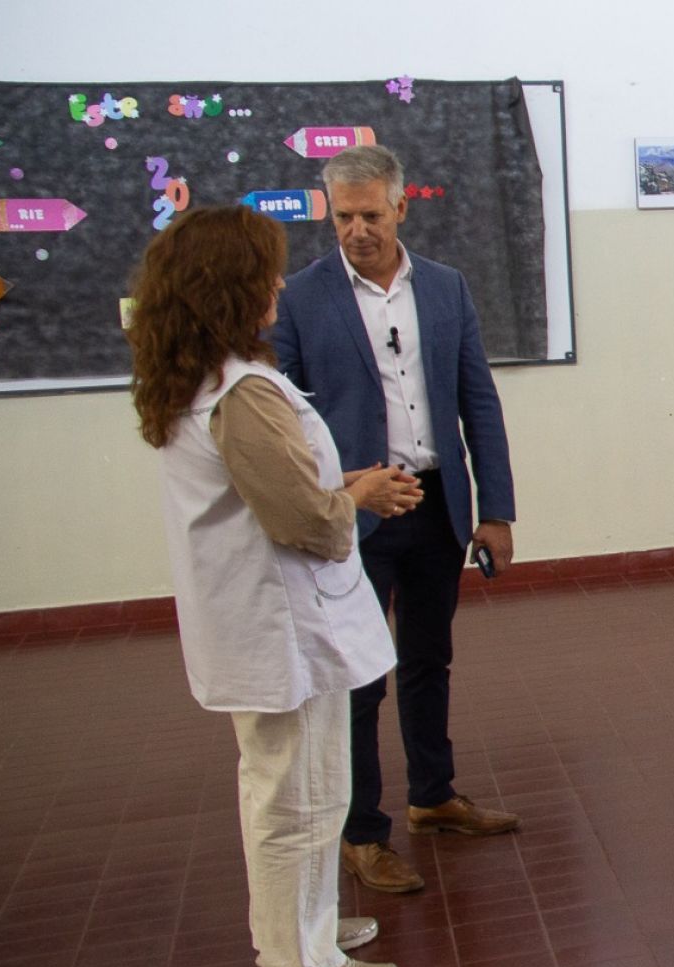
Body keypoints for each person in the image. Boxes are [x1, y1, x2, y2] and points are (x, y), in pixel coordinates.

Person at [129, 205, 422, 967]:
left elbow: (278, 490)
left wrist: (338, 485)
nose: (280, 285)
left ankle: (305, 930)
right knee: (302, 799)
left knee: (290, 789)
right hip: (282, 628)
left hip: (257, 624)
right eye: (266, 272)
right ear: (228, 285)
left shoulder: (201, 379)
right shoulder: (244, 392)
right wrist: (359, 494)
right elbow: (308, 522)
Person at [273, 144, 520, 896]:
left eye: (371, 215)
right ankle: (362, 833)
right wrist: (341, 489)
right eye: (344, 217)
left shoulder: (445, 287)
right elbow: (284, 422)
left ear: (401, 208)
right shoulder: (301, 298)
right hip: (357, 513)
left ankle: (433, 797)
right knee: (358, 678)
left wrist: (496, 510)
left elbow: (478, 401)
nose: (357, 230)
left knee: (427, 659)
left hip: (436, 503)